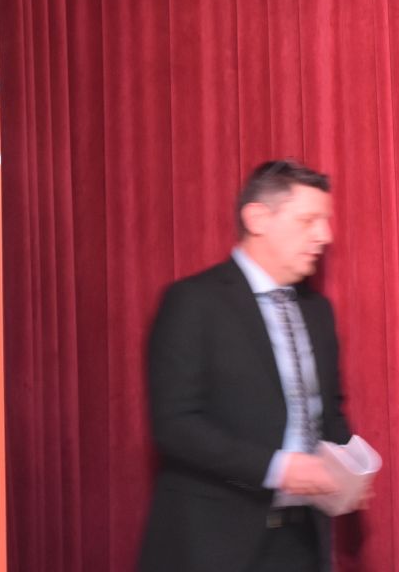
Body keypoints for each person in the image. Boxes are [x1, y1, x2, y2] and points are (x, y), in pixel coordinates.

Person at [139, 160, 354, 572]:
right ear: (257, 219)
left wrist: (348, 467)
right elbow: (175, 426)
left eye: (325, 221)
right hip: (214, 543)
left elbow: (330, 412)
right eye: (308, 220)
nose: (324, 235)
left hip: (302, 540)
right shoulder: (193, 302)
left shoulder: (318, 311)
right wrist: (278, 468)